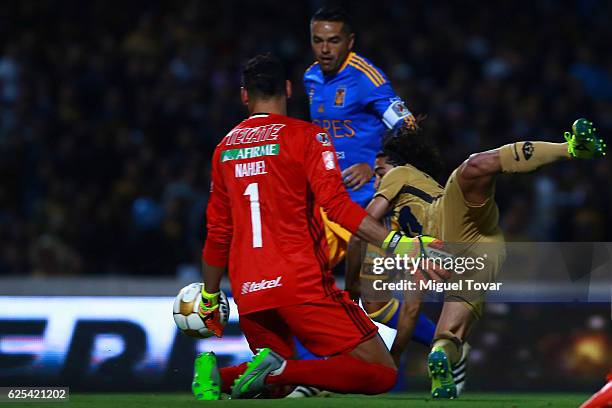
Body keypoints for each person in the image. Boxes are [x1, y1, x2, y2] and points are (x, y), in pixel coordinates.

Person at [191, 53, 446, 400]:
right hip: (300, 283)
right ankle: (278, 369)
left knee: (274, 388)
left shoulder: (223, 150)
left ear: (244, 96)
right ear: (288, 89)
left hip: (250, 291)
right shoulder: (308, 137)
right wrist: (402, 245)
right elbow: (338, 207)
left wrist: (208, 297)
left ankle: (216, 376)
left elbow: (218, 232)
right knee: (381, 372)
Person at [346, 118, 606, 398]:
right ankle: (447, 359)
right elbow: (409, 310)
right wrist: (393, 358)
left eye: (378, 171)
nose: (376, 180)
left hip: (450, 220)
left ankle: (572, 148)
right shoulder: (404, 237)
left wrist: (352, 292)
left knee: (473, 166)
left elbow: (360, 228)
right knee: (447, 339)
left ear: (398, 165)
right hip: (477, 249)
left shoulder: (398, 175)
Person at [303, 3, 435, 352]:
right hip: (330, 204)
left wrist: (377, 162)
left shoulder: (368, 78)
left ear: (350, 41)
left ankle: (446, 346)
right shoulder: (311, 78)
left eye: (333, 40)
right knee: (305, 284)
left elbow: (408, 128)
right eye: (318, 41)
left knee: (375, 304)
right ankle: (311, 375)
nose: (325, 49)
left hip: (371, 209)